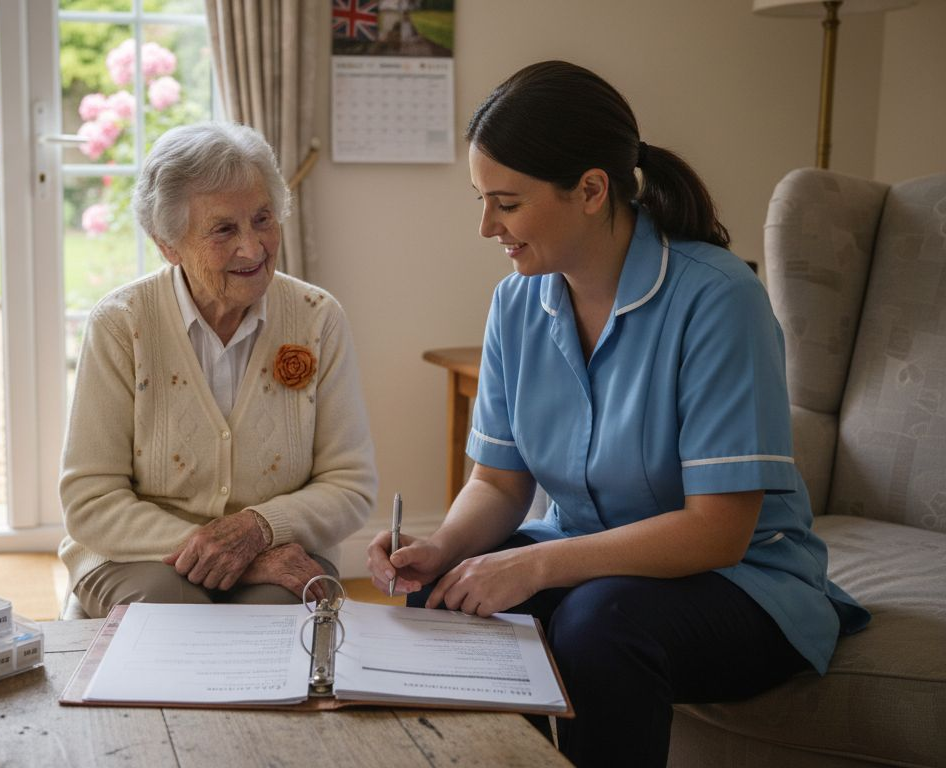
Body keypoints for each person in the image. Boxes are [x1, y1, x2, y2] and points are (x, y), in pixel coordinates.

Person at [366, 61, 869, 768]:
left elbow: (718, 532)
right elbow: (500, 484)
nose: (487, 227)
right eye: (481, 200)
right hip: (590, 570)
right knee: (447, 604)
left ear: (592, 190)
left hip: (743, 585)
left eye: (505, 203)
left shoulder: (718, 300)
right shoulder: (517, 303)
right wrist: (443, 549)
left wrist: (536, 566)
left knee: (597, 623)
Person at [60, 121, 376, 619]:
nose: (252, 248)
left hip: (281, 551)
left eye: (263, 219)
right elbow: (90, 501)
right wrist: (230, 554)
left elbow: (350, 486)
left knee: (277, 625)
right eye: (224, 229)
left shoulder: (317, 318)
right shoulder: (122, 325)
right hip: (139, 557)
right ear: (168, 244)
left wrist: (258, 530)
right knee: (171, 616)